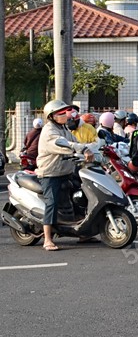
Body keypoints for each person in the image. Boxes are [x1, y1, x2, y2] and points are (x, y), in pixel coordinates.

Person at [36, 100, 93, 251]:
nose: (65, 115)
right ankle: (47, 239)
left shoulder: (64, 128)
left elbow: (75, 142)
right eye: (60, 113)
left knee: (82, 195)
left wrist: (91, 148)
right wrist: (78, 148)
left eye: (65, 112)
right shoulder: (49, 131)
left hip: (66, 172)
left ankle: (83, 232)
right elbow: (62, 144)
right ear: (51, 116)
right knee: (52, 202)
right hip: (50, 173)